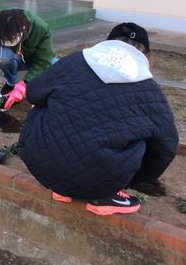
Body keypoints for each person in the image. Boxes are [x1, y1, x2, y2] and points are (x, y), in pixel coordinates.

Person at [18, 23, 178, 216]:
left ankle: (62, 188)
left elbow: (33, 92)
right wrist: (137, 179)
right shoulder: (148, 88)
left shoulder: (74, 61)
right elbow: (167, 146)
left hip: (41, 165)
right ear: (145, 55)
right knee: (148, 137)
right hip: (102, 179)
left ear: (107, 43)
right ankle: (105, 196)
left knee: (43, 105)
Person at [0, 8, 54, 109]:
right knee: (3, 57)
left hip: (34, 59)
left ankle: (43, 98)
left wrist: (25, 84)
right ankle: (11, 83)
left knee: (55, 66)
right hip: (14, 59)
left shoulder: (40, 28)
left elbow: (43, 61)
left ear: (23, 30)